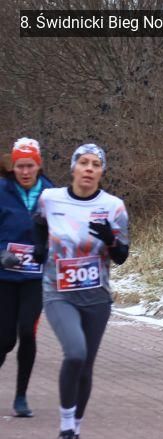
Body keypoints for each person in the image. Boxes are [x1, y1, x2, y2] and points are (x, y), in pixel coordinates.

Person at [32, 143, 129, 439]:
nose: (89, 169)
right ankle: (64, 429)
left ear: (102, 172)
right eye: (83, 163)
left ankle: (74, 431)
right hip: (58, 292)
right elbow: (38, 226)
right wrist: (38, 249)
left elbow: (122, 256)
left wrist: (110, 239)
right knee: (75, 352)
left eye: (95, 164)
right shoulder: (50, 199)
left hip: (96, 297)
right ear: (73, 168)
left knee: (86, 365)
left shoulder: (113, 206)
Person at [0, 138, 54, 417]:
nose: (24, 171)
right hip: (4, 277)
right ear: (13, 166)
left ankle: (21, 397)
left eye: (29, 166)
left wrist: (47, 249)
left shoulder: (51, 194)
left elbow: (63, 232)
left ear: (38, 166)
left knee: (27, 332)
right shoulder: (2, 191)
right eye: (20, 166)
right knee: (5, 340)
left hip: (34, 278)